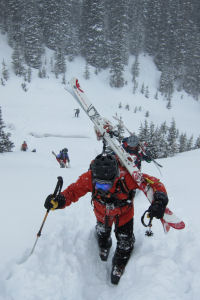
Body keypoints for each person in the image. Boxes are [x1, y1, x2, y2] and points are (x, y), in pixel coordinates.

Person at [44, 153, 168, 284]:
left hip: (124, 214)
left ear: (115, 177)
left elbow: (154, 183)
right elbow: (73, 191)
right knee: (102, 232)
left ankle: (119, 262)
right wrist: (60, 200)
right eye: (99, 185)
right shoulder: (90, 177)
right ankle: (105, 244)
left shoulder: (127, 177)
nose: (103, 189)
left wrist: (159, 200)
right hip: (101, 213)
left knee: (125, 241)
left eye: (106, 185)